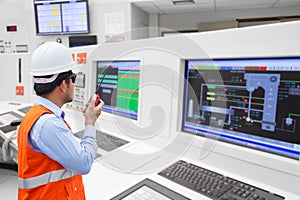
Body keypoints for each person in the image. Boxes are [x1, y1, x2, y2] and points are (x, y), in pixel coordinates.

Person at [17, 42, 104, 200]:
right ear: (63, 85)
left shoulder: (37, 115)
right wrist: (90, 123)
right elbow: (84, 164)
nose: (74, 84)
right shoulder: (48, 124)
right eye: (73, 78)